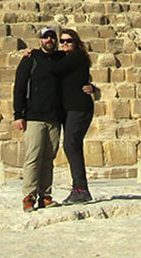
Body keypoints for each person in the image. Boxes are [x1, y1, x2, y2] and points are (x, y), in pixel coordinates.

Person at [21, 28, 95, 204]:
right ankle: (72, 189)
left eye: (68, 41)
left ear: (76, 42)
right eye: (62, 41)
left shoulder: (75, 57)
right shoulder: (66, 57)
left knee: (70, 146)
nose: (64, 44)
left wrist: (35, 53)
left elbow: (53, 67)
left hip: (78, 108)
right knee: (62, 148)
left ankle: (80, 189)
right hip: (61, 111)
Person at [12, 25, 65, 212]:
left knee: (49, 158)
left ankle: (45, 196)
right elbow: (19, 86)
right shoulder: (30, 59)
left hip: (55, 117)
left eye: (52, 37)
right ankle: (29, 196)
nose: (49, 40)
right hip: (34, 116)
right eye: (45, 37)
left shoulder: (62, 59)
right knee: (33, 157)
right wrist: (18, 114)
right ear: (40, 40)